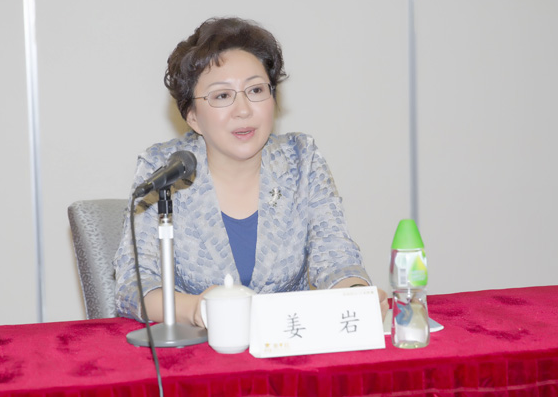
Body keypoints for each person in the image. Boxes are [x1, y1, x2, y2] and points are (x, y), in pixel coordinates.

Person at [113, 17, 388, 327]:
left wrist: (355, 294)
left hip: (288, 343)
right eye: (222, 95)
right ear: (192, 116)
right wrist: (197, 310)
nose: (243, 110)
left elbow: (336, 259)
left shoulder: (301, 159)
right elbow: (133, 285)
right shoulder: (165, 168)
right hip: (196, 348)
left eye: (256, 90)